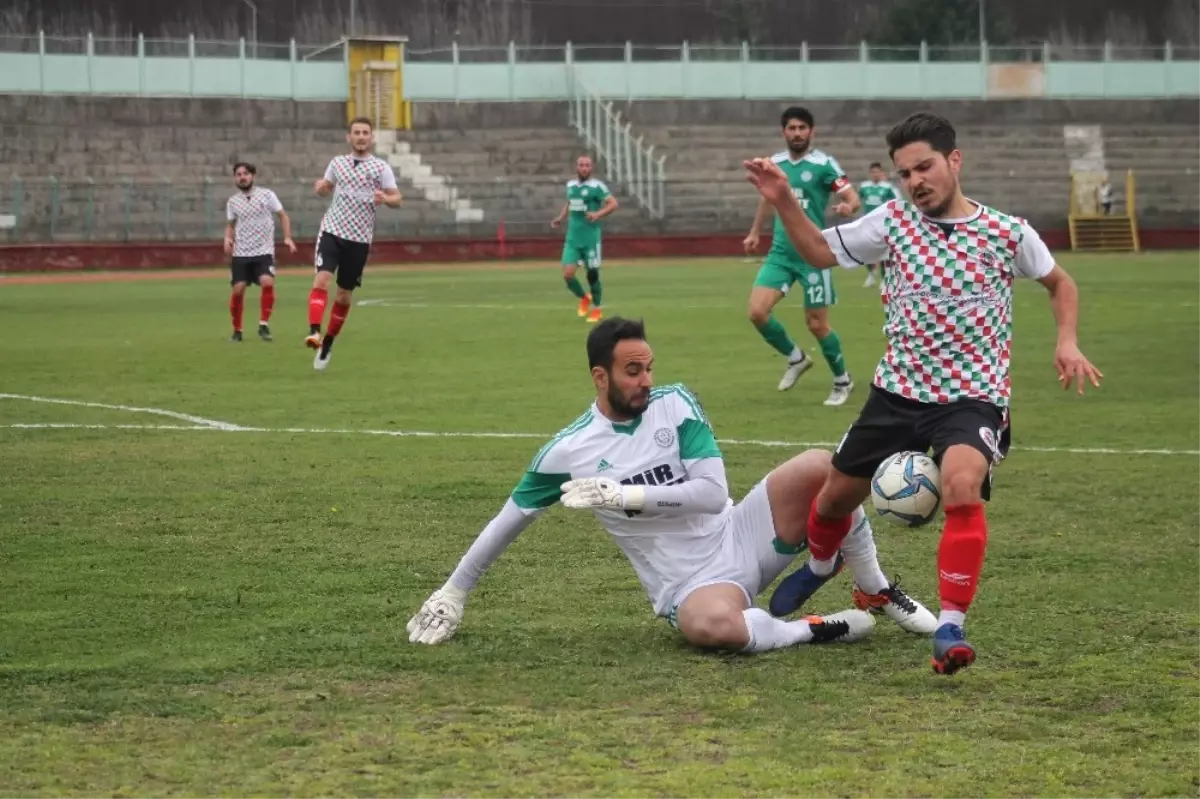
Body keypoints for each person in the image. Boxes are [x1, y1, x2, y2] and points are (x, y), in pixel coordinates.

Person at [742, 111, 1103, 675]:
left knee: (961, 485)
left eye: (924, 167)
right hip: (897, 393)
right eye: (905, 173)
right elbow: (816, 251)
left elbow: (1060, 282)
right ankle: (819, 566)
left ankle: (952, 626)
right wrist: (784, 197)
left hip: (972, 398)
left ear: (954, 161)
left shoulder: (1007, 232)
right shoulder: (891, 224)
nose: (915, 181)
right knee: (834, 499)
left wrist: (1068, 340)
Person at [406, 317, 937, 653]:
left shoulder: (674, 402)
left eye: (649, 367)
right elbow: (509, 520)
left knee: (825, 466)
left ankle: (874, 587)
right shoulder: (567, 452)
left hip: (740, 531)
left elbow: (709, 493)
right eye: (632, 371)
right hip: (690, 585)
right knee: (715, 630)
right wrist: (454, 592)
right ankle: (817, 627)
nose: (646, 380)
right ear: (600, 376)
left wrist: (625, 495)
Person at [742, 106, 861, 405]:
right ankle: (796, 358)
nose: (797, 133)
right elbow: (767, 200)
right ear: (784, 132)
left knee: (817, 324)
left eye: (802, 128)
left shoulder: (824, 165)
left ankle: (842, 380)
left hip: (813, 253)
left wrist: (849, 207)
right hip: (781, 253)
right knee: (757, 312)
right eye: (791, 128)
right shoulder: (775, 164)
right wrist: (755, 231)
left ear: (812, 132)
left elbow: (851, 196)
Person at [306, 116, 403, 371]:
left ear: (371, 138)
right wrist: (322, 188)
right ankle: (314, 332)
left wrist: (386, 198)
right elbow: (326, 187)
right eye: (356, 132)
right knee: (322, 280)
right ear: (348, 137)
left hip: (359, 240)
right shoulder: (337, 163)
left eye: (365, 132)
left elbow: (398, 199)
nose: (361, 136)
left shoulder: (380, 168)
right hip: (332, 231)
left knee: (344, 295)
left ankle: (328, 342)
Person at [223, 162, 296, 342]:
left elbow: (283, 215)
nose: (242, 177)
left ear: (253, 175)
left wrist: (287, 237)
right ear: (235, 178)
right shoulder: (233, 202)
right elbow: (230, 225)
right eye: (238, 174)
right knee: (238, 290)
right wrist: (227, 238)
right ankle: (237, 330)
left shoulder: (267, 195)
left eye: (245, 173)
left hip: (263, 251)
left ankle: (263, 324)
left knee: (267, 282)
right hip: (241, 253)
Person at [551, 155, 619, 324]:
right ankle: (584, 297)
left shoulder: (597, 186)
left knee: (592, 274)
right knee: (567, 275)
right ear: (576, 167)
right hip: (573, 238)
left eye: (587, 165)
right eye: (581, 165)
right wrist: (561, 217)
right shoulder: (571, 185)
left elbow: (613, 204)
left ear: (591, 168)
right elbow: (570, 203)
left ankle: (597, 308)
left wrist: (597, 214)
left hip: (590, 238)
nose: (584, 168)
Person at [856, 162, 899, 288]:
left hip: (883, 224)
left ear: (882, 173)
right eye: (873, 172)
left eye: (877, 172)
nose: (875, 174)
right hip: (868, 224)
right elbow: (857, 201)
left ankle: (884, 278)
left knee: (884, 251)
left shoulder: (888, 188)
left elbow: (897, 203)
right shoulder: (864, 187)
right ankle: (871, 274)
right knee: (865, 250)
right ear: (870, 173)